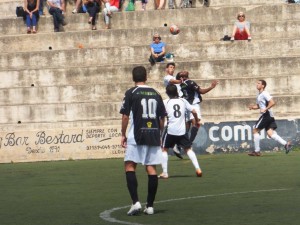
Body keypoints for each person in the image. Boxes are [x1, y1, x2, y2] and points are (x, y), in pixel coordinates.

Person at [120, 66, 166, 215]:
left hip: (137, 134)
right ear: (146, 77)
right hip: (153, 134)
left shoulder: (131, 93)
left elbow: (125, 116)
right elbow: (162, 117)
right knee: (151, 168)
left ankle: (135, 203)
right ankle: (150, 206)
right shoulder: (156, 93)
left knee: (129, 166)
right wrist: (159, 133)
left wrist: (123, 134)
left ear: (133, 78)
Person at [159, 84, 202, 179]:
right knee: (188, 149)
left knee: (164, 149)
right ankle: (198, 168)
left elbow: (161, 116)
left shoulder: (165, 102)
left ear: (167, 93)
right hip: (182, 131)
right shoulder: (183, 101)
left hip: (170, 130)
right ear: (177, 92)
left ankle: (165, 173)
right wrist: (197, 121)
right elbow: (194, 111)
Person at [173, 71, 218, 158]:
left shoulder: (181, 85)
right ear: (181, 77)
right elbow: (201, 91)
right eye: (181, 72)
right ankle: (187, 144)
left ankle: (179, 144)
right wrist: (211, 87)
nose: (184, 71)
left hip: (186, 105)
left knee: (187, 126)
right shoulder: (190, 82)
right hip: (193, 105)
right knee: (196, 123)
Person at [248, 80, 292, 156]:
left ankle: (257, 151)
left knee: (255, 130)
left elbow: (272, 102)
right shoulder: (259, 95)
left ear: (263, 86)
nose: (257, 84)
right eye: (256, 83)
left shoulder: (265, 93)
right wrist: (252, 107)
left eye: (259, 83)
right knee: (270, 133)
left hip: (266, 115)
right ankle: (286, 144)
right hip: (269, 115)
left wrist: (265, 109)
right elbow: (259, 106)